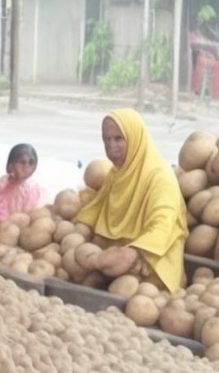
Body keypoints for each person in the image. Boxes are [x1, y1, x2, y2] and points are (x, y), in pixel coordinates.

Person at [76, 108, 187, 292]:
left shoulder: (160, 178)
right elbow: (95, 208)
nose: (111, 146)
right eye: (106, 139)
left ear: (135, 138)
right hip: (116, 262)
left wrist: (133, 253)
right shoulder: (116, 174)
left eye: (119, 139)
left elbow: (162, 227)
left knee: (137, 296)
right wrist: (78, 232)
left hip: (151, 267)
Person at [0, 143, 45, 221]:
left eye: (31, 163)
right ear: (11, 165)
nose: (27, 167)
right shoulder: (1, 187)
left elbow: (31, 215)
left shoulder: (34, 189)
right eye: (22, 162)